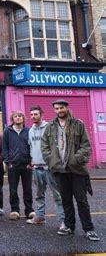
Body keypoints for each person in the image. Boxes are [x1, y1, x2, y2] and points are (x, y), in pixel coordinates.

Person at [41, 99, 100, 241]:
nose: (59, 110)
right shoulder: (50, 126)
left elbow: (86, 145)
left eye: (61, 108)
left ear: (67, 108)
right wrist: (51, 160)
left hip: (76, 170)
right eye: (56, 108)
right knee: (66, 200)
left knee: (81, 200)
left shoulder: (78, 124)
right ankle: (69, 226)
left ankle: (89, 229)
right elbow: (45, 146)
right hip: (60, 170)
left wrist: (76, 159)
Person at [27, 105, 65, 229]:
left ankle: (63, 221)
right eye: (31, 114)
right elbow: (31, 147)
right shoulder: (31, 130)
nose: (33, 117)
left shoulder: (49, 127)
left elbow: (57, 146)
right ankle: (40, 216)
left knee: (57, 195)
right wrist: (32, 162)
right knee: (39, 194)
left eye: (35, 114)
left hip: (50, 167)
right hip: (37, 167)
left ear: (41, 114)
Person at [2, 111, 34, 221]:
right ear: (13, 119)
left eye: (20, 116)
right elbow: (4, 147)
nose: (18, 118)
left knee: (28, 189)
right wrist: (8, 162)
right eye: (16, 116)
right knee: (13, 189)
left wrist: (31, 162)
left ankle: (29, 210)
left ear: (23, 118)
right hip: (13, 165)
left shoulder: (29, 131)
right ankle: (15, 210)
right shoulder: (7, 131)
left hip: (27, 165)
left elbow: (32, 146)